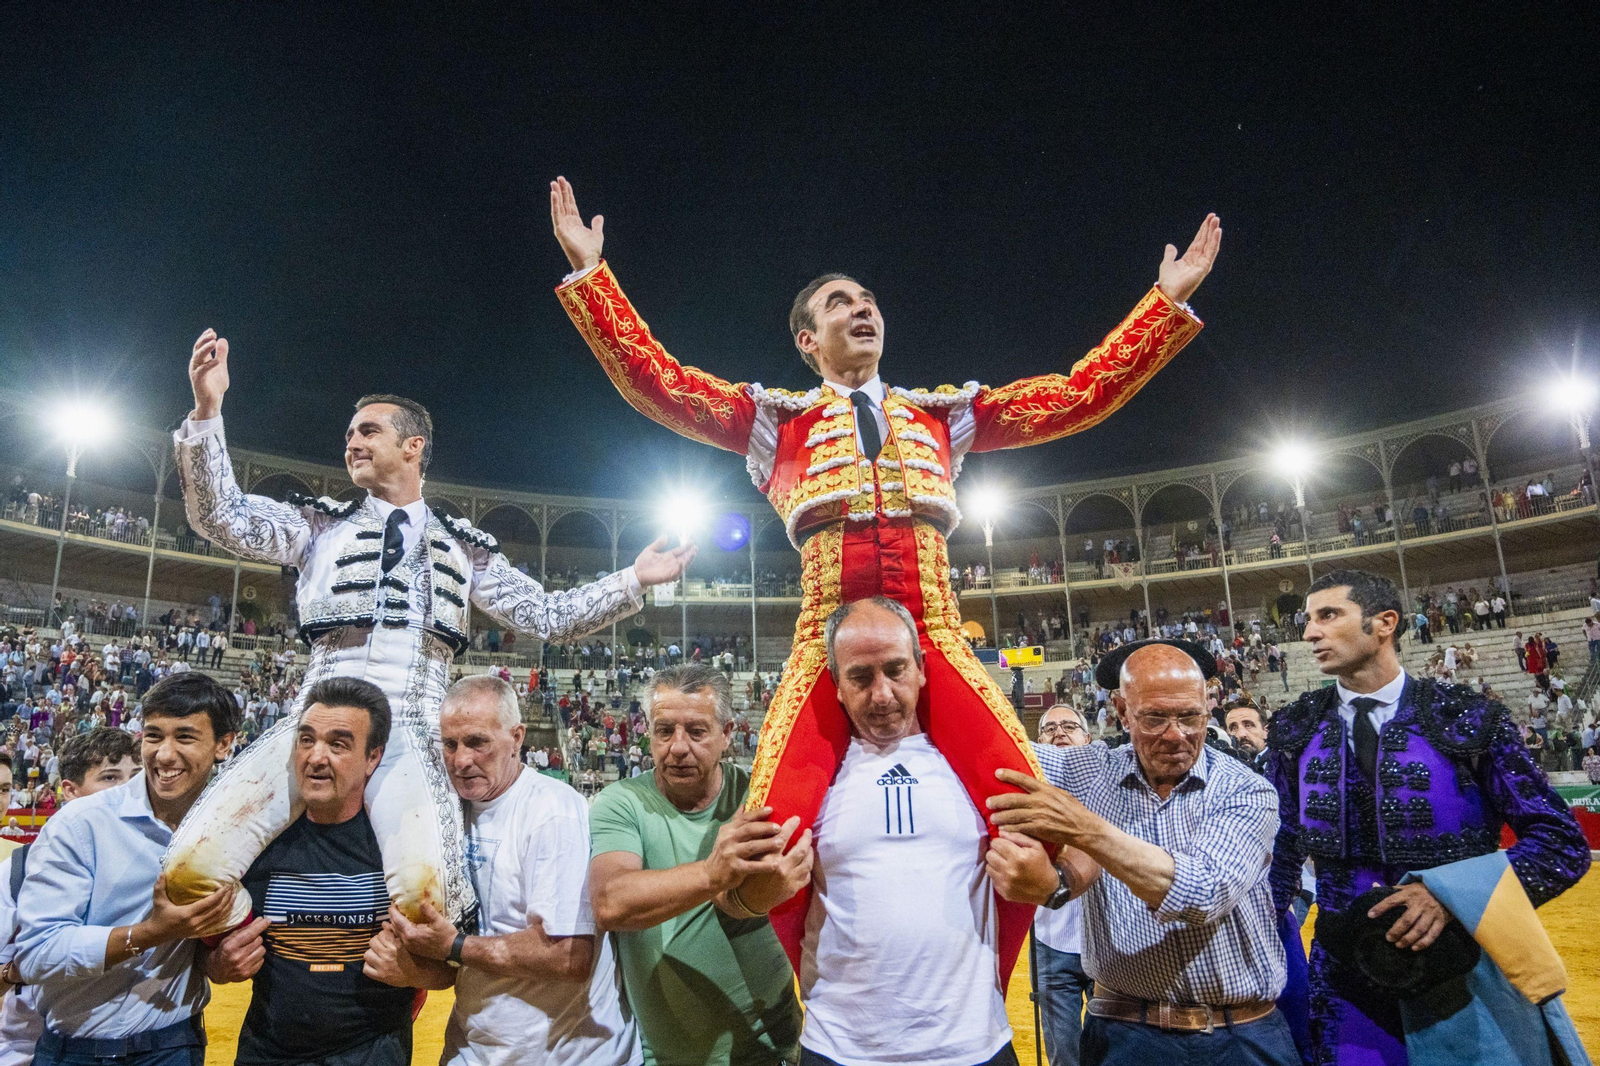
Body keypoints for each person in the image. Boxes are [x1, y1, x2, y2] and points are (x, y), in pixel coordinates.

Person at [550, 177, 1220, 976]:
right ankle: (826, 989)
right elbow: (659, 384)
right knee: (774, 833)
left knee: (1031, 816)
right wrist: (594, 278)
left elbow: (1075, 396)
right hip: (824, 647)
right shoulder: (779, 423)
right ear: (807, 340)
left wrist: (1163, 306)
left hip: (936, 634)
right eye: (838, 302)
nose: (861, 307)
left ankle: (981, 984)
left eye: (867, 298)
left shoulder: (943, 416)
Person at [164, 334, 695, 932]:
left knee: (430, 905)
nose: (352, 443)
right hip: (312, 726)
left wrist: (632, 580)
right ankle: (276, 932)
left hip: (411, 735)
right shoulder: (318, 525)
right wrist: (208, 411)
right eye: (349, 436)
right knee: (185, 878)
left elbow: (547, 617)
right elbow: (220, 517)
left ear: (413, 446)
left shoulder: (464, 546)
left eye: (368, 432)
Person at [1265, 570, 1590, 1066]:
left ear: (1384, 623)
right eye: (1308, 620)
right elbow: (1283, 845)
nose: (1310, 633)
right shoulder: (1295, 726)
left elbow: (1561, 842)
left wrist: (1450, 895)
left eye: (1328, 616)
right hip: (1343, 986)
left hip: (1463, 968)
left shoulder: (1469, 716)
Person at [987, 641, 1294, 1065]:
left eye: (1190, 717)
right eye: (1154, 718)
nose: (1176, 735)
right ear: (1120, 710)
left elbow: (1202, 893)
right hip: (1122, 1034)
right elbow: (992, 751)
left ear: (1208, 706)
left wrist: (1086, 828)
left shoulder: (1247, 789)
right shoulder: (1089, 770)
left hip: (1239, 1036)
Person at [384, 675, 638, 1066]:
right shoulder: (448, 813)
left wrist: (454, 947)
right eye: (450, 744)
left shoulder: (551, 810)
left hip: (569, 1056)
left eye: (477, 742)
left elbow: (569, 956)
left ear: (517, 738)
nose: (460, 759)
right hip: (475, 1048)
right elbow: (459, 955)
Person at [204, 677, 455, 1066]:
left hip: (373, 1053)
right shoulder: (256, 843)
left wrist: (412, 973)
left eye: (338, 744)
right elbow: (212, 956)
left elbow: (452, 970)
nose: (316, 756)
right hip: (267, 1052)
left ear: (373, 757)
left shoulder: (403, 850)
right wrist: (219, 966)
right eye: (307, 740)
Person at [15, 674, 242, 1066]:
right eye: (154, 736)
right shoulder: (81, 825)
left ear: (224, 744)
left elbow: (215, 946)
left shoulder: (238, 825)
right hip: (75, 1049)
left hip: (176, 1044)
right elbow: (36, 954)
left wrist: (219, 962)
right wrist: (152, 933)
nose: (164, 754)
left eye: (184, 737)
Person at [587, 665, 807, 1066]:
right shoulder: (621, 803)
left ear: (727, 734)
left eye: (696, 731)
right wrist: (711, 873)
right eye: (664, 730)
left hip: (775, 1049)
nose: (678, 746)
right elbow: (610, 902)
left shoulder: (759, 796)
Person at [0, 728, 140, 1065]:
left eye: (136, 777)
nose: (127, 790)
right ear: (70, 791)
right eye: (109, 777)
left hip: (143, 1048)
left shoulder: (161, 866)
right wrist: (23, 968)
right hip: (30, 1052)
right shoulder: (17, 871)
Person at [1028, 704, 1097, 1066]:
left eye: (1070, 725)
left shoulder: (1109, 786)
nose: (1059, 732)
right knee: (1063, 1055)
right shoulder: (1029, 797)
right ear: (1039, 742)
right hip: (1051, 941)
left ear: (1088, 738)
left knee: (1111, 1051)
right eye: (1050, 728)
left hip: (1109, 942)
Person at [1225, 704, 1270, 772]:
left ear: (1266, 731)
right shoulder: (1225, 768)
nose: (1241, 734)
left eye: (1248, 726)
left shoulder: (1285, 765)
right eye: (1234, 728)